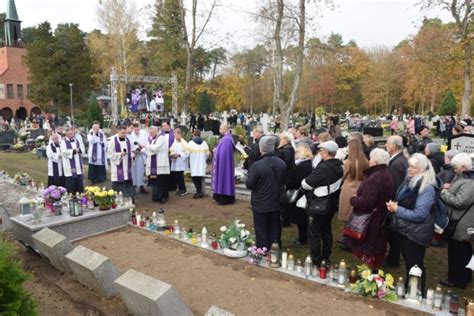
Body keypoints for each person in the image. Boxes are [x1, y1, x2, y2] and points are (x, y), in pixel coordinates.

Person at [387, 153, 436, 295]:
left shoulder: (426, 188)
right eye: (409, 166)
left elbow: (420, 214)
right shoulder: (410, 181)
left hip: (417, 232)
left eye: (414, 167)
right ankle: (411, 290)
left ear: (423, 169)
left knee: (415, 264)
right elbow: (404, 201)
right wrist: (394, 205)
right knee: (410, 262)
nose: (409, 169)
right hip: (407, 229)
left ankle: (417, 292)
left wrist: (398, 209)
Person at [348, 148, 393, 268]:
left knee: (369, 254)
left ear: (375, 161)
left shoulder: (374, 178)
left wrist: (353, 199)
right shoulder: (385, 174)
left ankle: (368, 277)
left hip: (371, 221)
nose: (369, 161)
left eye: (370, 159)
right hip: (379, 218)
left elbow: (366, 202)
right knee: (375, 252)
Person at [301, 141, 343, 266]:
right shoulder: (339, 165)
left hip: (319, 203)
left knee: (314, 232)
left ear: (326, 152)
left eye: (321, 150)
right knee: (326, 230)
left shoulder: (324, 167)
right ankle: (326, 256)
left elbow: (306, 184)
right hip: (332, 202)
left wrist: (304, 182)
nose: (319, 153)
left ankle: (316, 259)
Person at [440, 153, 474, 289]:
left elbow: (460, 201)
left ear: (464, 167)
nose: (454, 169)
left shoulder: (470, 182)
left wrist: (444, 193)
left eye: (456, 167)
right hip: (461, 220)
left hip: (463, 222)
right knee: (463, 249)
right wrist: (451, 187)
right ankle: (464, 276)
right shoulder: (464, 177)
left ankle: (456, 279)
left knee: (458, 251)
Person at [246, 136, 286, 249]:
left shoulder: (257, 165)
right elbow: (283, 180)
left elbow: (250, 184)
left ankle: (262, 251)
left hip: (261, 201)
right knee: (274, 227)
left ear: (261, 148)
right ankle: (274, 250)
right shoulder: (281, 163)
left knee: (261, 228)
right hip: (275, 201)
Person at [338, 139, 369, 250]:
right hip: (360, 189)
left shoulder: (348, 162)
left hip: (348, 190)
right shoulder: (366, 161)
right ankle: (351, 238)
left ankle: (348, 239)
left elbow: (342, 176)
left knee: (347, 215)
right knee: (355, 215)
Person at [384, 135, 408, 267]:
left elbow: (394, 186)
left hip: (394, 204)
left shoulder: (396, 164)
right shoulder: (401, 159)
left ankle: (393, 259)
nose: (385, 146)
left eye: (387, 143)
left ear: (393, 146)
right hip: (396, 204)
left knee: (394, 234)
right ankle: (393, 257)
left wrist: (391, 202)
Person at [286, 144, 313, 246]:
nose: (295, 154)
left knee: (301, 218)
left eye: (297, 152)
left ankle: (302, 239)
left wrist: (288, 185)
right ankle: (303, 237)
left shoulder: (302, 165)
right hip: (303, 193)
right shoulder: (307, 163)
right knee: (302, 217)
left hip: (300, 194)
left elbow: (295, 180)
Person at [142, 126, 170, 203]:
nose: (150, 134)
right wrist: (142, 150)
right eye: (150, 132)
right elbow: (150, 149)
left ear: (156, 131)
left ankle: (163, 197)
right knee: (155, 181)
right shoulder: (152, 139)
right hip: (154, 163)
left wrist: (146, 146)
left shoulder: (161, 138)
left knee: (161, 181)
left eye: (151, 132)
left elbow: (155, 148)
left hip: (161, 163)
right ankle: (157, 196)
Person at [107, 125, 136, 198]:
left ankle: (129, 199)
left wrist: (132, 155)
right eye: (122, 133)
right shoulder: (113, 141)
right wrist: (120, 154)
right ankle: (118, 200)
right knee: (119, 186)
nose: (124, 134)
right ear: (118, 131)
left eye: (125, 133)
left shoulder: (128, 140)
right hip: (118, 168)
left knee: (128, 182)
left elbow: (132, 150)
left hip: (127, 167)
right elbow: (110, 154)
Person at [275, 131, 296, 227]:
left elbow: (285, 163)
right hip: (287, 177)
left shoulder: (287, 150)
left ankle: (285, 221)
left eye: (281, 139)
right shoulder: (287, 149)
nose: (280, 140)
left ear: (286, 140)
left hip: (287, 178)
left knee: (284, 201)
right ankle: (285, 219)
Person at [212, 125, 235, 205]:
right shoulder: (227, 138)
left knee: (223, 179)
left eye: (220, 129)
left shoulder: (226, 140)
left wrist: (216, 151)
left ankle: (224, 198)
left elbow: (222, 153)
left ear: (223, 129)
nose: (219, 130)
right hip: (224, 164)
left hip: (223, 165)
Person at [60, 128, 85, 194]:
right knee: (71, 181)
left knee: (79, 180)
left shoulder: (77, 141)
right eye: (69, 134)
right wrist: (73, 151)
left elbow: (82, 148)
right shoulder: (63, 142)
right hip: (69, 165)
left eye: (71, 133)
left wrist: (79, 150)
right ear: (66, 134)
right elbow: (63, 152)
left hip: (78, 164)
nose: (71, 135)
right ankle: (71, 193)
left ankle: (80, 192)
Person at [186, 129, 209, 199]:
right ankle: (201, 191)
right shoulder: (204, 143)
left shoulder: (190, 143)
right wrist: (203, 159)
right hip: (201, 163)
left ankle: (199, 192)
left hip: (194, 163)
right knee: (200, 177)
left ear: (193, 135)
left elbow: (187, 154)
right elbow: (207, 154)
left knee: (195, 177)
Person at [129, 122, 149, 194]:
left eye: (138, 129)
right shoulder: (131, 136)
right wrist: (135, 151)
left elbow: (146, 144)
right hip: (134, 157)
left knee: (141, 172)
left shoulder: (143, 135)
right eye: (135, 130)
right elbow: (130, 147)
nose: (137, 131)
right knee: (134, 172)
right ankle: (134, 186)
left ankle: (141, 186)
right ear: (133, 129)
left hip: (141, 156)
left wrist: (142, 150)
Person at [170, 128, 189, 196]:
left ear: (179, 134)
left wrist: (179, 154)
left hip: (181, 162)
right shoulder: (175, 142)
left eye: (175, 134)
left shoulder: (184, 143)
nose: (174, 136)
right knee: (177, 177)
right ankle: (180, 189)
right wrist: (172, 154)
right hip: (175, 161)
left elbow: (187, 152)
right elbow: (171, 149)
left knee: (180, 177)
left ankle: (183, 190)